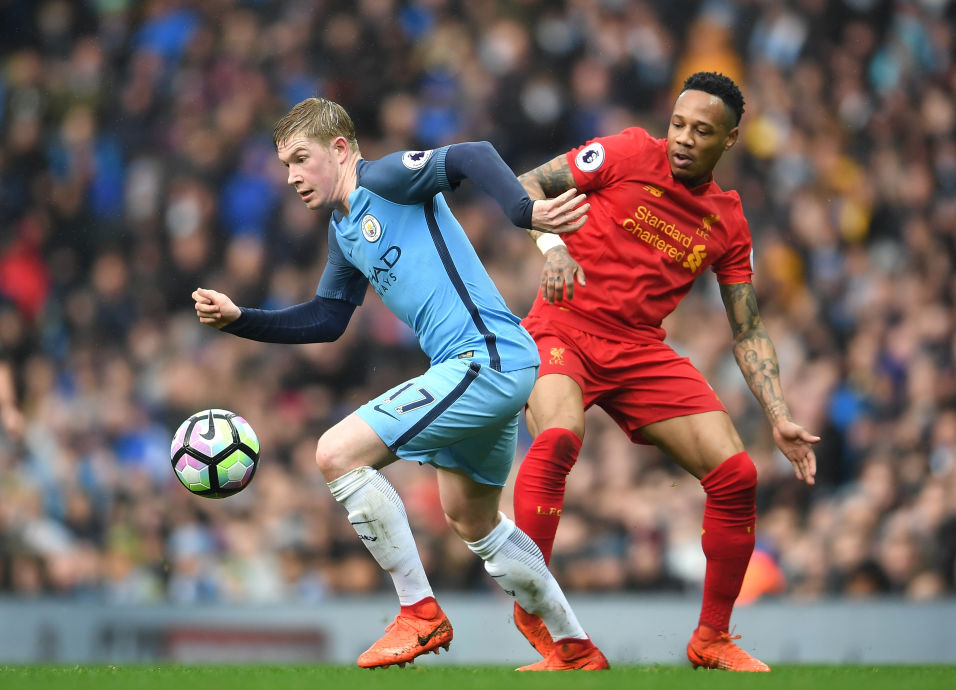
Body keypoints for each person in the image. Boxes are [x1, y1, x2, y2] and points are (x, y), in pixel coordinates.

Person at [192, 97, 608, 671]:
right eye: (285, 165)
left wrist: (524, 211)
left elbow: (472, 153)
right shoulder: (343, 231)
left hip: (485, 357)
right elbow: (327, 319)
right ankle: (574, 647)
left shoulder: (384, 179)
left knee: (335, 453)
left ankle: (418, 611)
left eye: (300, 159)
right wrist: (242, 319)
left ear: (340, 149)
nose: (291, 177)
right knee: (472, 520)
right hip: (480, 367)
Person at [510, 72, 820, 672]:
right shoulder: (626, 152)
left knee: (737, 474)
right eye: (678, 124)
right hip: (563, 325)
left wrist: (779, 415)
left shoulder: (727, 221)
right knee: (559, 437)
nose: (683, 139)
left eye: (701, 131)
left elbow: (748, 328)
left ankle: (713, 638)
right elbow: (527, 185)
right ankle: (533, 603)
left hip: (639, 349)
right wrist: (554, 248)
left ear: (729, 140)